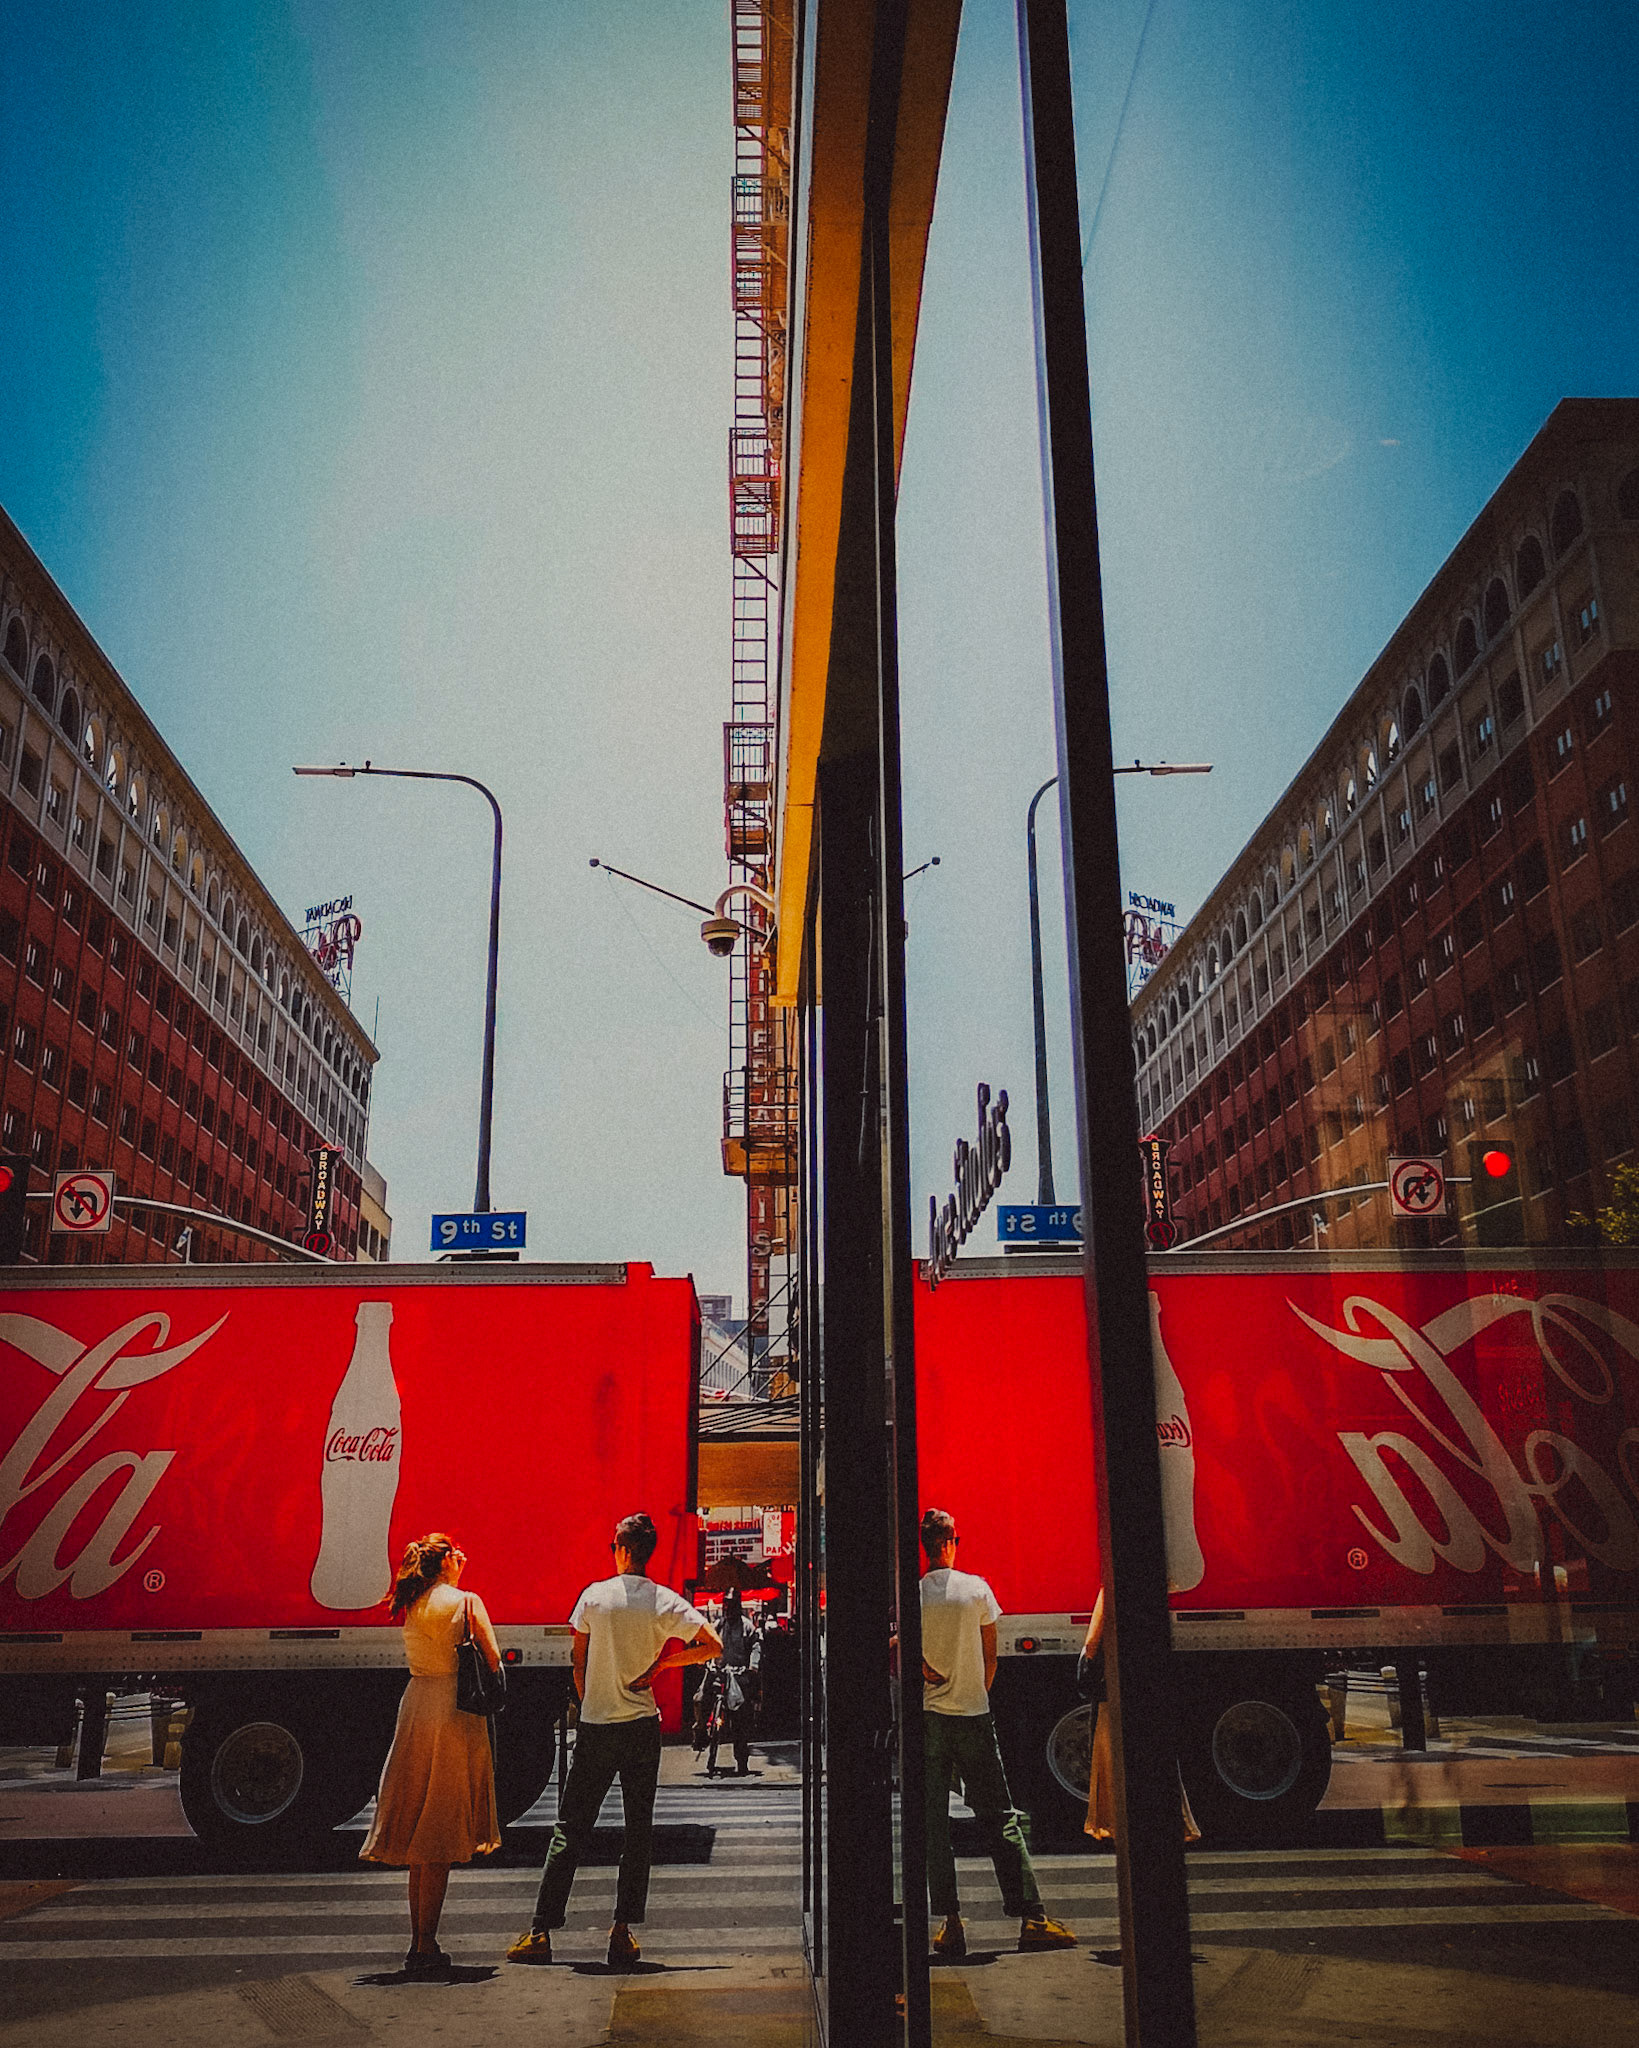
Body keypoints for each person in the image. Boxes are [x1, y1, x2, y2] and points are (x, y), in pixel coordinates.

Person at [507, 1512, 722, 1970]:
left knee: (571, 1826)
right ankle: (622, 1932)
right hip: (642, 1727)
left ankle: (540, 1931)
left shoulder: (593, 1597)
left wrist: (591, 1701)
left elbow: (578, 1663)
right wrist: (662, 1667)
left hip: (597, 1725)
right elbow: (713, 1644)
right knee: (637, 1830)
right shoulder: (665, 1602)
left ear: (620, 1549)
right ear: (648, 1552)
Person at [918, 1508, 1076, 1959]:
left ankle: (951, 1924)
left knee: (934, 1826)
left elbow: (908, 1656)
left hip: (932, 1720)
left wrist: (933, 1674)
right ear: (953, 1542)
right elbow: (992, 1657)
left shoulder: (914, 1597)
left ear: (926, 1547)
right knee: (1000, 1816)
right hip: (974, 1716)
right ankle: (1031, 1917)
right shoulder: (978, 1590)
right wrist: (973, 1692)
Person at [360, 1533, 502, 1980]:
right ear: (444, 1564)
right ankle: (425, 1944)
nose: (465, 1557)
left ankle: (420, 1939)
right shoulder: (466, 1602)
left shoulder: (413, 1605)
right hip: (453, 1712)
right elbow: (493, 1660)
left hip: (417, 1704)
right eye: (457, 1553)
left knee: (422, 1837)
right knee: (438, 1834)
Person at [1080, 1590, 1200, 1843]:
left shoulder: (1111, 1583)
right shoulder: (1149, 1588)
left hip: (1114, 1683)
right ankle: (1167, 1820)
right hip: (1146, 1679)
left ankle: (1119, 1821)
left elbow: (1093, 1641)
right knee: (1153, 1751)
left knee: (1112, 1755)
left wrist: (1088, 1665)